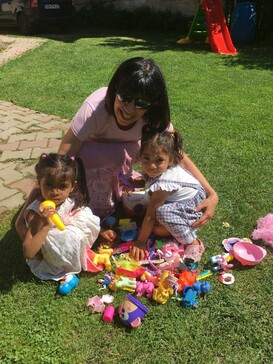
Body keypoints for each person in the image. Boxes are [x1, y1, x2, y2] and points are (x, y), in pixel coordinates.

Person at [16, 57, 218, 240]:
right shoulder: (95, 108)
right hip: (92, 156)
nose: (129, 109)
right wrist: (38, 197)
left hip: (127, 154)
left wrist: (211, 193)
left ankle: (116, 195)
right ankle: (94, 204)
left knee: (144, 152)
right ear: (114, 90)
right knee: (100, 159)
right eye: (124, 97)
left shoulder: (154, 117)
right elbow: (61, 159)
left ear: (153, 104)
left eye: (141, 103)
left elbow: (177, 155)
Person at [22, 153, 114, 281]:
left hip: (64, 228)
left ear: (72, 187)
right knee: (69, 236)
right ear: (39, 183)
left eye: (62, 186)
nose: (55, 192)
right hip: (50, 252)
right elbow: (28, 252)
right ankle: (69, 261)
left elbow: (71, 214)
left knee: (84, 213)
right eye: (49, 185)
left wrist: (101, 231)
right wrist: (46, 225)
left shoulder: (66, 200)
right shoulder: (37, 213)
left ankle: (80, 249)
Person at [130, 126, 208, 262]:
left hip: (192, 204)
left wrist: (141, 242)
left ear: (170, 160)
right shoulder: (158, 172)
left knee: (161, 212)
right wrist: (132, 184)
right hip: (182, 196)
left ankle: (193, 242)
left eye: (159, 160)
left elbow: (150, 216)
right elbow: (149, 180)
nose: (151, 166)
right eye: (146, 158)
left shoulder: (165, 183)